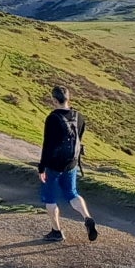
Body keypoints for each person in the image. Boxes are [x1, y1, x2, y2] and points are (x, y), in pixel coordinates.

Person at [37, 85, 98, 242]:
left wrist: (41, 167)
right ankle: (87, 217)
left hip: (54, 165)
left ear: (54, 100)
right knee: (72, 193)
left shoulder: (52, 118)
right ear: (68, 98)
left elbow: (47, 145)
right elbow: (79, 138)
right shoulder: (79, 116)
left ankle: (56, 231)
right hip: (71, 163)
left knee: (50, 198)